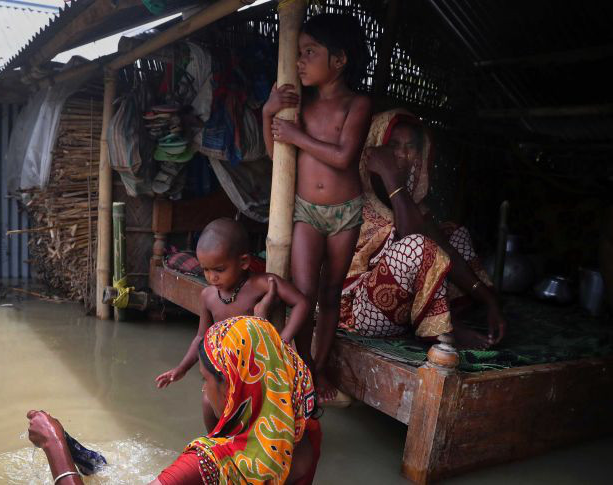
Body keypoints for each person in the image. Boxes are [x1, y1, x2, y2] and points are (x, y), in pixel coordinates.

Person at [27, 316, 322, 485]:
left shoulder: (206, 464)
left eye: (205, 381)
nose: (203, 393)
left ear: (237, 391)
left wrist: (55, 447)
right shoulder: (303, 433)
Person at [262, 13, 373, 401]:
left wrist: (296, 134)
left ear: (339, 60)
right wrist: (269, 113)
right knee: (304, 294)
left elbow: (344, 157)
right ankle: (299, 365)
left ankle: (318, 369)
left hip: (346, 212)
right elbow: (273, 154)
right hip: (306, 210)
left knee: (329, 295)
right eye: (299, 52)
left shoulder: (357, 104)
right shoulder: (298, 105)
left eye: (310, 52)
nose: (300, 61)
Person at [336, 109, 506, 349]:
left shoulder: (411, 204)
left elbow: (443, 249)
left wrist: (489, 301)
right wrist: (389, 176)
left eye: (411, 147)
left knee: (455, 235)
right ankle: (444, 328)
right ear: (376, 148)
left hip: (402, 306)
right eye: (393, 145)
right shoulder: (354, 194)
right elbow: (413, 240)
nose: (403, 154)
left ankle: (435, 317)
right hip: (360, 310)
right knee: (416, 247)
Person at [155, 218, 310, 429]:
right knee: (208, 402)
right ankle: (217, 447)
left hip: (259, 367)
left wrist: (282, 341)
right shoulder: (208, 296)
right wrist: (181, 368)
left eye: (219, 270)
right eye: (206, 270)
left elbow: (302, 303)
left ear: (244, 262)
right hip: (225, 371)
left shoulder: (261, 284)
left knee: (258, 418)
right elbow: (201, 337)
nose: (212, 277)